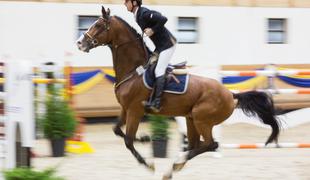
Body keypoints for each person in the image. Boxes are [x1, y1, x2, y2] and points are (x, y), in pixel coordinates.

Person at [124, 0, 177, 112]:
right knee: (147, 65)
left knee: (159, 70)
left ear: (134, 3)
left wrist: (153, 30)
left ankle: (157, 103)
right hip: (160, 46)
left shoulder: (144, 13)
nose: (124, 4)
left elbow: (163, 19)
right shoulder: (137, 15)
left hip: (168, 45)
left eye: (126, 1)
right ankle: (150, 97)